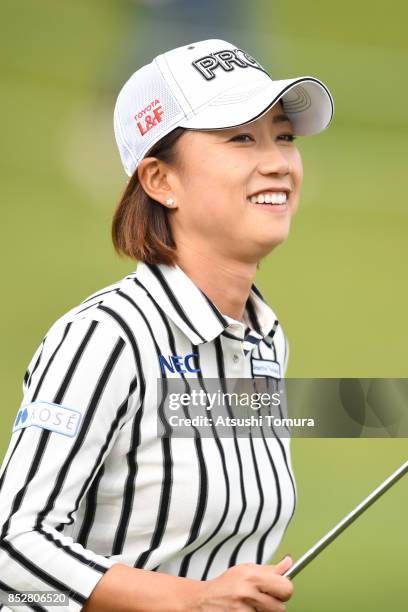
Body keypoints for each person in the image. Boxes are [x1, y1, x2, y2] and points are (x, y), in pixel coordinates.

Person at [0, 39, 333, 611]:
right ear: (160, 180)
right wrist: (190, 599)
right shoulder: (107, 337)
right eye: (240, 138)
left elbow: (186, 422)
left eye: (284, 136)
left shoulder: (261, 340)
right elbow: (11, 551)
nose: (278, 160)